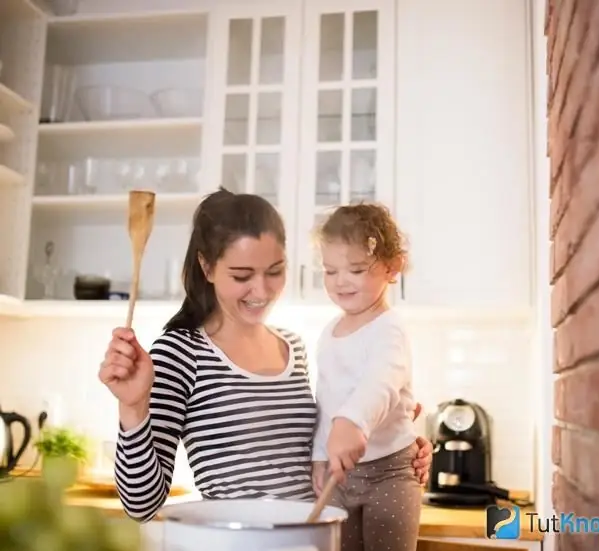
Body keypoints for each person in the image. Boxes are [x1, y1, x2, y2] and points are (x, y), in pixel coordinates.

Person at [97, 189, 432, 522]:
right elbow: (141, 505)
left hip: (312, 542)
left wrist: (394, 450)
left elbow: (331, 442)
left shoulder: (293, 347)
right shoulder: (181, 352)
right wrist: (133, 406)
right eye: (242, 276)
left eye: (274, 271)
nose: (262, 291)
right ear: (207, 267)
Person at [311, 203, 421, 551]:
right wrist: (318, 455)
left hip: (391, 473)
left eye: (356, 269)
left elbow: (382, 381)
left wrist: (354, 421)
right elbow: (325, 400)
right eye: (330, 271)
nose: (340, 281)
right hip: (339, 479)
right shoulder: (329, 333)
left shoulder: (390, 328)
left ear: (392, 267)